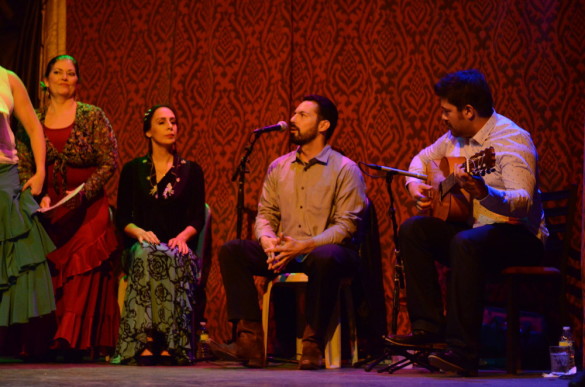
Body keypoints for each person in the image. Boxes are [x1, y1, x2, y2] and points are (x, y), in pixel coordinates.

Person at [388, 69, 548, 376]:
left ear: (468, 111)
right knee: (413, 229)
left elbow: (522, 201)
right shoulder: (454, 138)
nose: (443, 118)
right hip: (474, 234)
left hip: (519, 236)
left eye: (447, 111)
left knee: (465, 242)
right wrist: (415, 187)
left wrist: (485, 191)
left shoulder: (511, 139)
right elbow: (420, 160)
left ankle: (463, 352)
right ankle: (428, 330)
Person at [210, 95, 368, 369]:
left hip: (327, 252)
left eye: (303, 115)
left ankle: (313, 343)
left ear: (323, 125)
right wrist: (268, 241)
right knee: (233, 250)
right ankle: (250, 340)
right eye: (294, 113)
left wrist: (304, 246)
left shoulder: (345, 169)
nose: (292, 120)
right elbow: (265, 215)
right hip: (285, 250)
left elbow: (346, 226)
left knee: (326, 256)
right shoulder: (278, 167)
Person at [16, 55, 120, 358]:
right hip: (49, 209)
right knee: (43, 261)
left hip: (87, 206)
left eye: (71, 73)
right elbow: (24, 165)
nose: (64, 77)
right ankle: (44, 338)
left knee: (82, 259)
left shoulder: (92, 116)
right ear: (45, 81)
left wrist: (82, 194)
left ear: (77, 81)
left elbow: (109, 160)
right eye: (58, 73)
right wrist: (38, 196)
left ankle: (70, 339)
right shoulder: (32, 121)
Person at [111, 104, 205, 366]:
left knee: (171, 255)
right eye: (162, 122)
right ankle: (145, 340)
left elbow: (198, 216)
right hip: (142, 246)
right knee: (146, 254)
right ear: (148, 131)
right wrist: (139, 233)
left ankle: (169, 343)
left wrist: (183, 237)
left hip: (178, 246)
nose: (170, 127)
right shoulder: (133, 170)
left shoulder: (191, 171)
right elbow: (122, 219)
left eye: (173, 121)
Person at [0, 66, 56, 359]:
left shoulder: (7, 79)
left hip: (4, 175)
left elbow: (35, 128)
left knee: (15, 257)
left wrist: (41, 171)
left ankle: (10, 338)